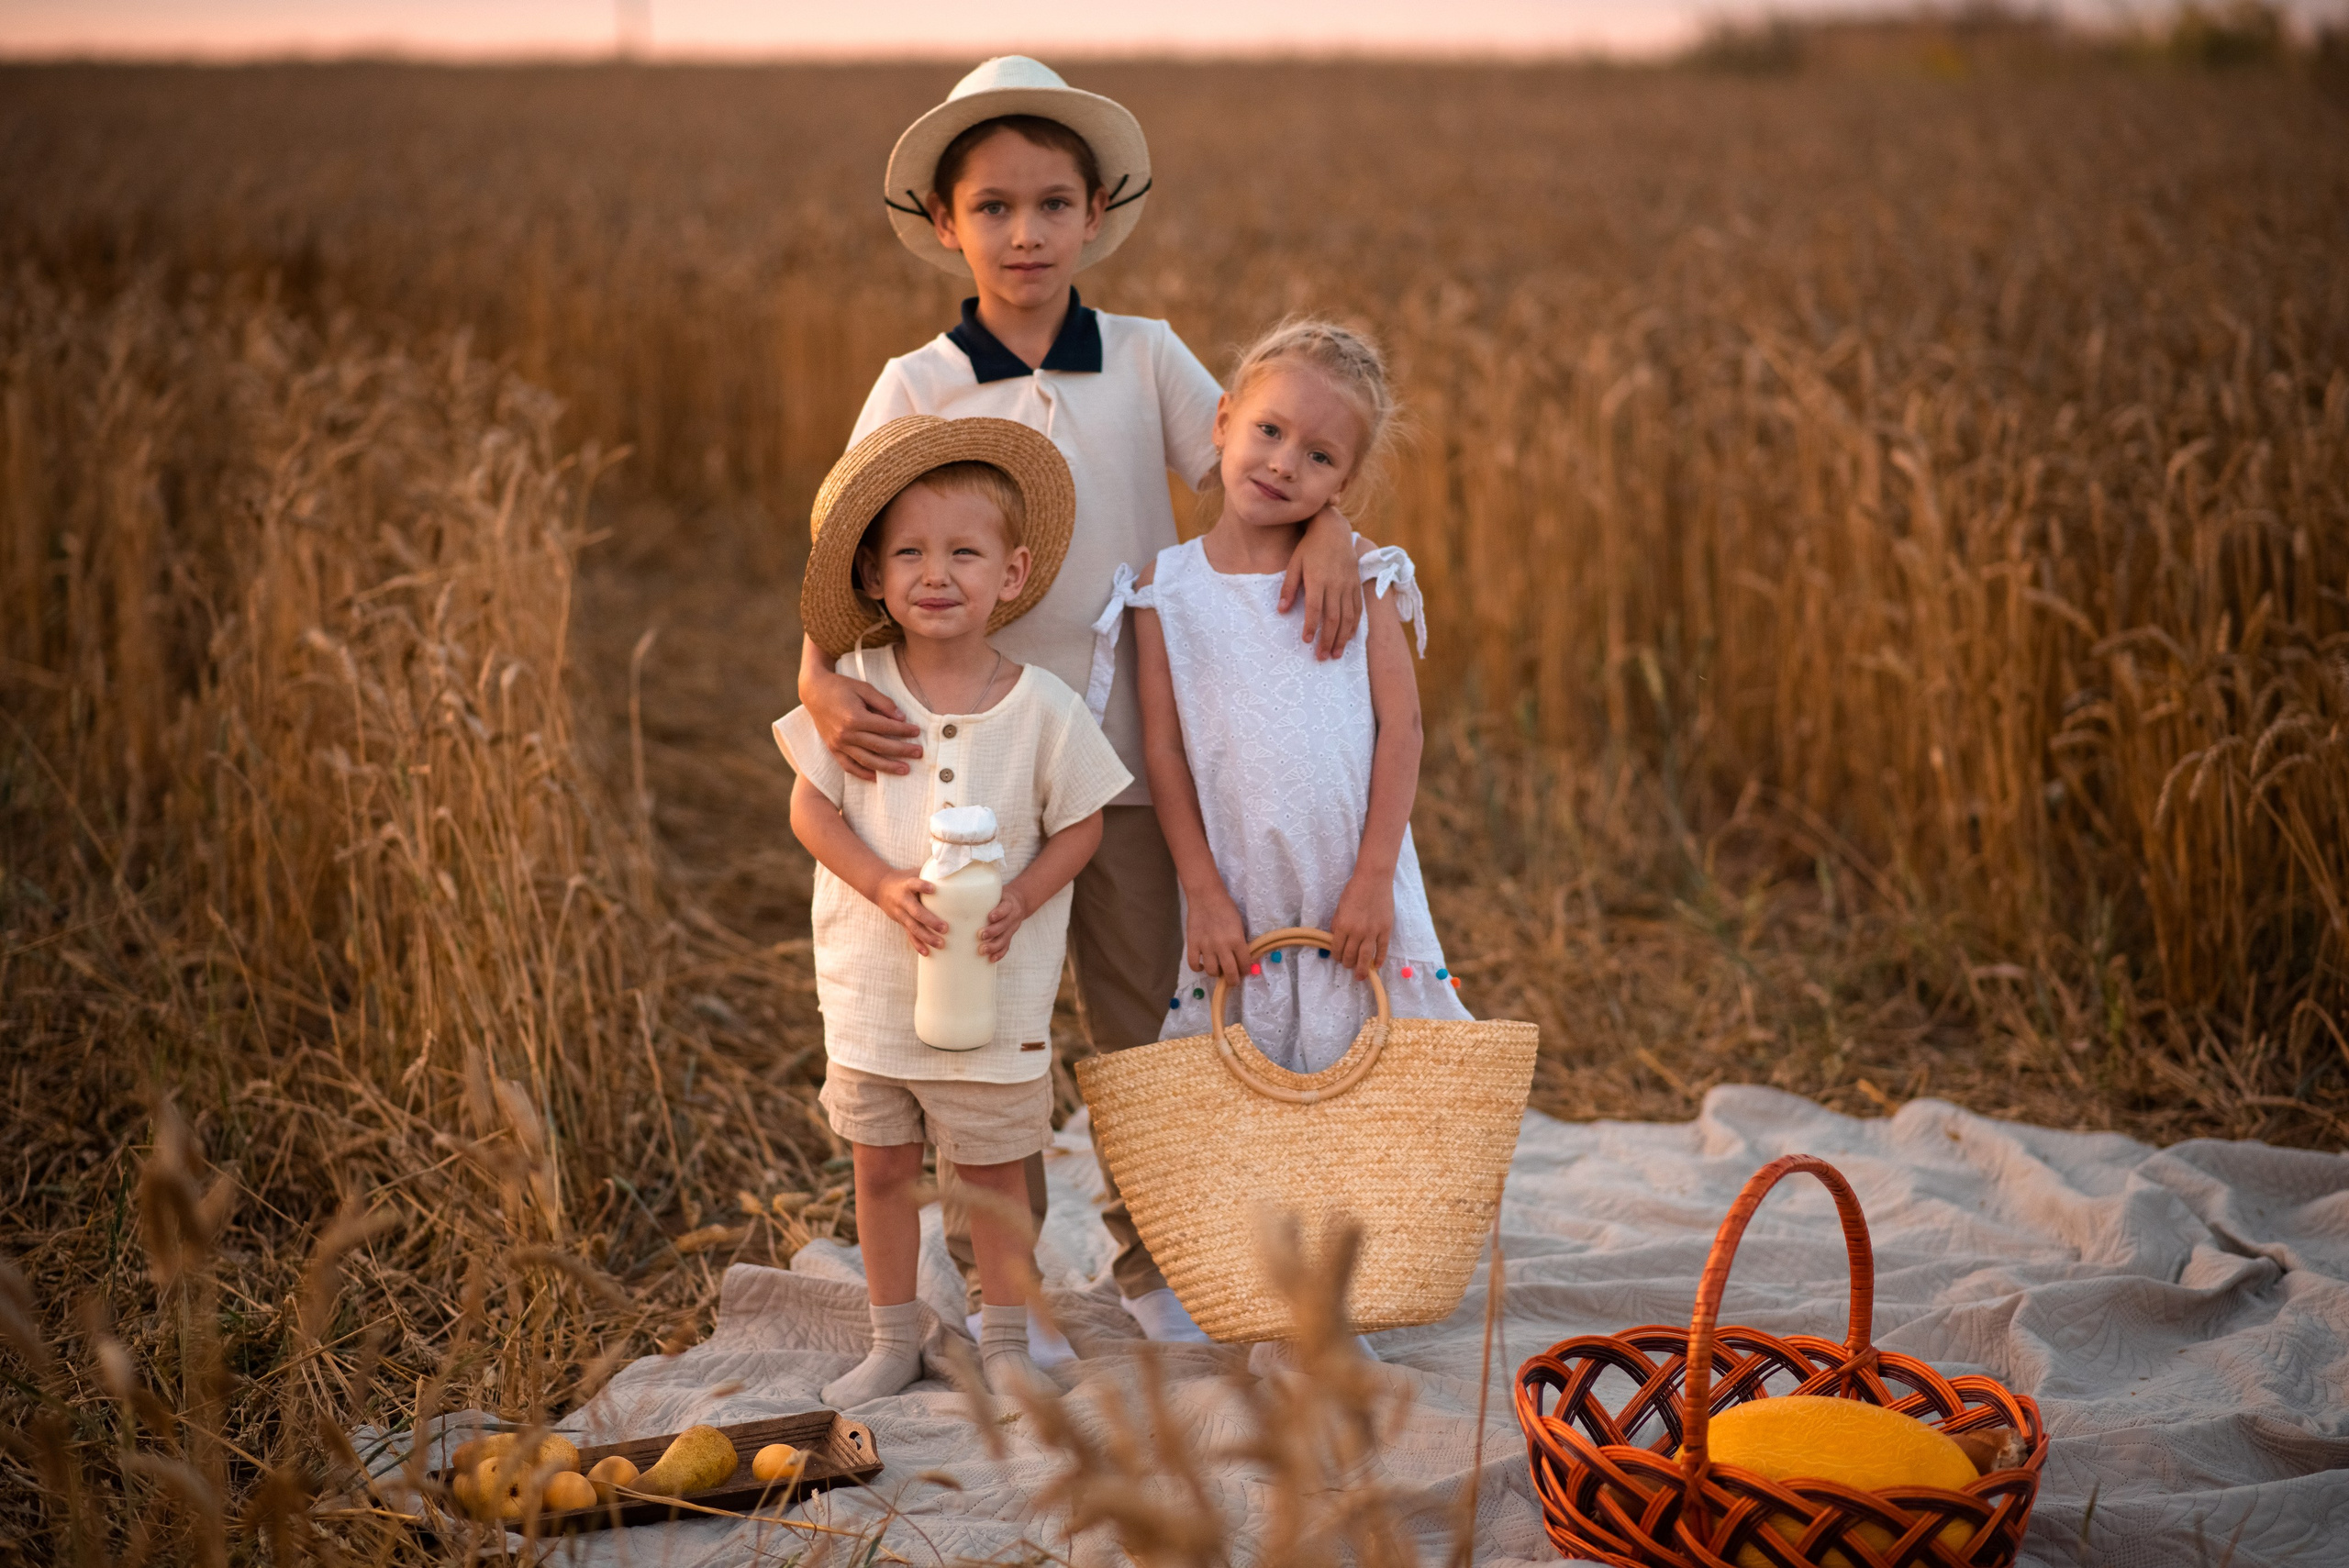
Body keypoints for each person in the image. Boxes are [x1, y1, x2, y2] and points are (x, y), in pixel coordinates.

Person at [796, 56, 1369, 1346]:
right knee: (979, 1036)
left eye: (1052, 203)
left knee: (1142, 1018)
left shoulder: (1151, 359)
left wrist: (1331, 523)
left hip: (1126, 760)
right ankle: (1007, 1292)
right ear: (945, 225)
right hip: (963, 779)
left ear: (1097, 213)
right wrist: (815, 686)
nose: (1025, 231)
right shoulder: (915, 387)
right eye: (992, 207)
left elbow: (1259, 470)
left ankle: (1158, 1265)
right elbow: (838, 561)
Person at [774, 415, 1130, 1405]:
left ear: (1012, 574)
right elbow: (808, 805)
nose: (937, 574)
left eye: (964, 552)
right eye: (910, 555)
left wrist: (1021, 893)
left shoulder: (1043, 706)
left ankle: (1006, 1342)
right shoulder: (858, 696)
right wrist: (884, 885)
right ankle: (894, 1338)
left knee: (991, 1173)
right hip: (875, 988)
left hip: (993, 996)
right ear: (875, 580)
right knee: (881, 1164)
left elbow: (1083, 825)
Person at [1097, 318, 1473, 1084]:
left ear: (1344, 484)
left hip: (1353, 888)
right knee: (1256, 1105)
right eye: (1268, 430)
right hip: (1242, 888)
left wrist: (1373, 882)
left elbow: (1401, 726)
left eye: (1319, 456)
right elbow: (1162, 750)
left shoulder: (1365, 574)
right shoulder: (1163, 591)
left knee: (1380, 1097)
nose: (1282, 463)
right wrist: (1201, 890)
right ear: (1224, 419)